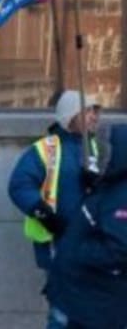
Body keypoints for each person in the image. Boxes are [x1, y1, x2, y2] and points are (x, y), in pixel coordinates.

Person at [44, 124, 127, 329]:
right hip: (79, 298)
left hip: (93, 306)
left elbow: (118, 249)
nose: (99, 154)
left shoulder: (121, 195)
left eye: (106, 149)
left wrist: (76, 253)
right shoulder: (108, 186)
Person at [8, 90, 100, 270]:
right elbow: (20, 185)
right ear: (70, 116)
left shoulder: (100, 147)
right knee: (64, 295)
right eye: (87, 111)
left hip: (94, 239)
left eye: (95, 112)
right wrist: (46, 215)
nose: (94, 117)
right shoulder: (47, 149)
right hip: (58, 239)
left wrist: (98, 183)